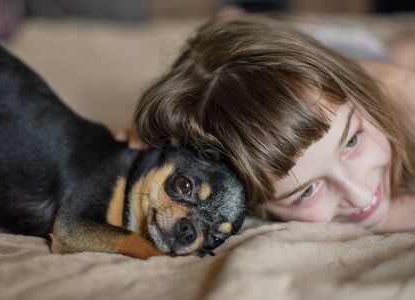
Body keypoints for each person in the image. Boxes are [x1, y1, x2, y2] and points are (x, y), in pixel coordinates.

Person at [126, 16, 415, 233]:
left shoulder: (402, 95)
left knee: (403, 49)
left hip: (347, 48)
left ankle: (230, 17)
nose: (361, 195)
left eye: (352, 141)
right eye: (306, 192)